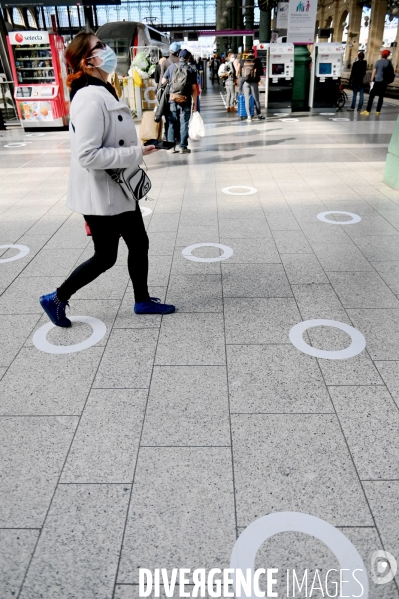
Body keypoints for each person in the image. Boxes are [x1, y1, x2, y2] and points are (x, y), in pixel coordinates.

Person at [39, 30, 175, 328]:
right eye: (99, 47)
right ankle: (56, 298)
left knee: (139, 243)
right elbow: (86, 156)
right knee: (105, 257)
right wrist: (134, 154)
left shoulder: (102, 88)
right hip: (100, 196)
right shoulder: (89, 96)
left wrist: (137, 150)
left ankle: (142, 300)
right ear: (87, 61)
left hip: (118, 189)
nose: (107, 50)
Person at [162, 49, 197, 155]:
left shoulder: (171, 67)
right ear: (188, 58)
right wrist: (194, 104)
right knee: (184, 123)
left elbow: (163, 81)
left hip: (172, 99)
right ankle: (183, 147)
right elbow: (194, 89)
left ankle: (171, 147)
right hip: (185, 100)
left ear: (179, 56)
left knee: (172, 123)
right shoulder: (191, 69)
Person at [361, 49, 394, 116]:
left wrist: (371, 80)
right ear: (387, 55)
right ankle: (378, 111)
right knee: (381, 97)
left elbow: (374, 72)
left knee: (371, 96)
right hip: (384, 82)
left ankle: (368, 110)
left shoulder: (378, 62)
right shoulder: (389, 62)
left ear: (382, 54)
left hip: (377, 81)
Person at [238, 53, 265, 121]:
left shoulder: (244, 62)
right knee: (256, 99)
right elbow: (260, 72)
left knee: (247, 99)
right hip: (254, 83)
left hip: (245, 83)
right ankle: (259, 115)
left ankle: (249, 116)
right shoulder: (256, 62)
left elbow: (241, 74)